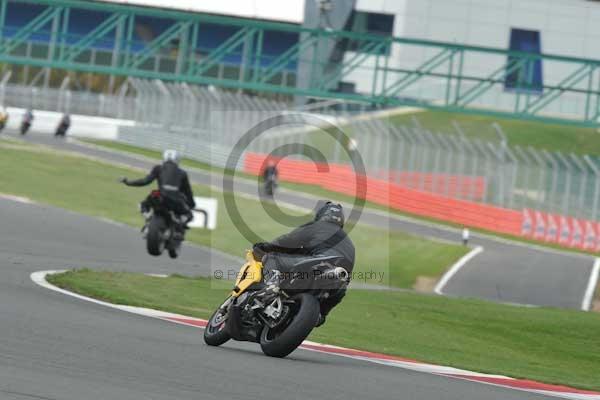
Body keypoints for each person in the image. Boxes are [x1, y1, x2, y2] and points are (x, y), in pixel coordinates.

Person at [252, 201, 355, 327]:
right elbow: (346, 277)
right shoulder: (349, 243)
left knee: (272, 258)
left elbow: (287, 242)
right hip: (337, 278)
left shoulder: (318, 226)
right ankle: (320, 314)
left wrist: (265, 247)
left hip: (318, 263)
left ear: (322, 214)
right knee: (340, 290)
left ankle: (270, 287)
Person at [120, 149, 195, 238]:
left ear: (164, 158)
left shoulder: (158, 168)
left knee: (143, 204)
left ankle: (148, 220)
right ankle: (178, 228)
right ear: (177, 160)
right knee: (189, 215)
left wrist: (128, 182)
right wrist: (192, 204)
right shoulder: (183, 173)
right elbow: (188, 192)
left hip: (159, 197)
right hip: (175, 200)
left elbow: (145, 181)